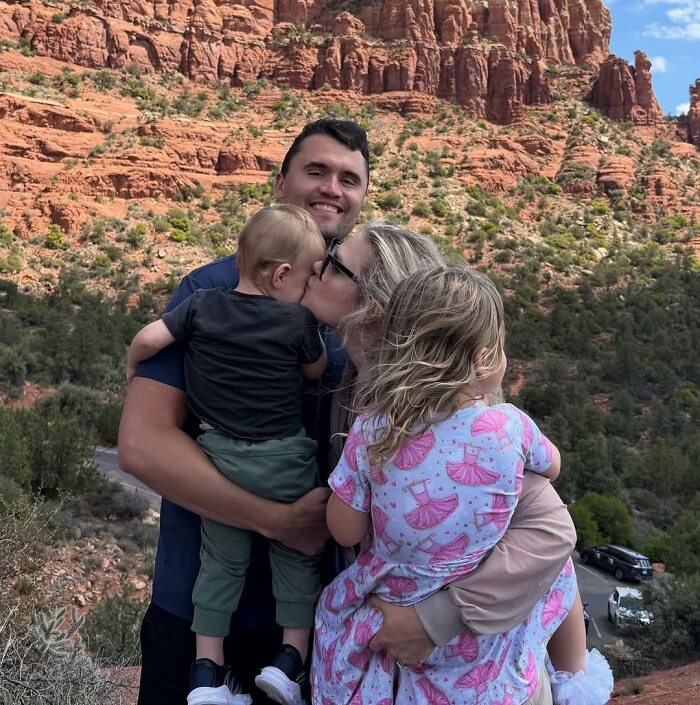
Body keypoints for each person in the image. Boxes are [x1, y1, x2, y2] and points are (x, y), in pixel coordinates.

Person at [119, 119, 577, 705]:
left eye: (349, 179)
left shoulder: (414, 362)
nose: (332, 188)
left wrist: (438, 619)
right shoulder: (212, 294)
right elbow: (140, 445)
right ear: (280, 180)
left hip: (331, 628)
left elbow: (541, 524)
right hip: (204, 604)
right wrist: (276, 519)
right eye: (315, 171)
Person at [307, 261, 612, 704]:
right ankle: (571, 681)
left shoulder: (373, 431)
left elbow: (345, 530)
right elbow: (554, 467)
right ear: (483, 360)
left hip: (393, 609)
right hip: (482, 642)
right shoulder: (509, 427)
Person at [126, 205, 328, 705]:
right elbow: (315, 371)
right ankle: (289, 663)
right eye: (306, 279)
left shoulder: (202, 303)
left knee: (218, 566)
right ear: (283, 275)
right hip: (285, 462)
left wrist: (132, 369)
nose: (308, 289)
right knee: (298, 561)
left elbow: (149, 338)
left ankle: (207, 675)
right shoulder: (298, 318)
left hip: (220, 461)